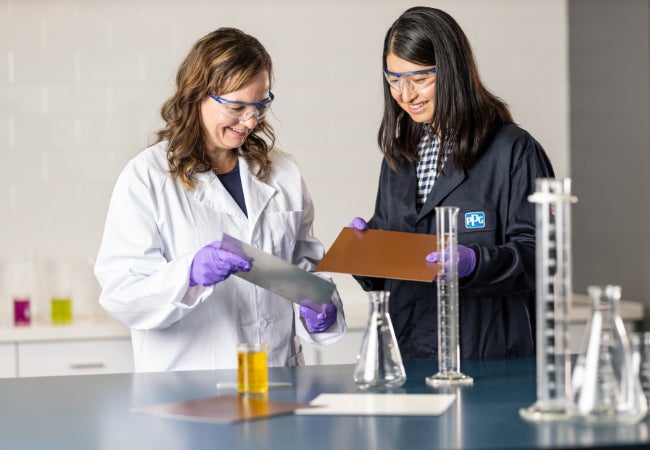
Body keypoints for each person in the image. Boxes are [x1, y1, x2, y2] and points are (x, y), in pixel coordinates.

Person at [94, 27, 346, 372]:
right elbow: (122, 295)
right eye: (238, 106)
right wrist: (189, 274)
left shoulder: (283, 171)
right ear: (196, 95)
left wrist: (321, 304)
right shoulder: (146, 178)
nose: (251, 120)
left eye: (261, 104)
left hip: (277, 377)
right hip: (188, 389)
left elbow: (304, 265)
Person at [348, 7, 554, 360]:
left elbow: (544, 257)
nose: (405, 93)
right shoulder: (400, 155)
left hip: (489, 360)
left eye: (419, 79)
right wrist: (366, 254)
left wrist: (475, 262)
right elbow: (392, 278)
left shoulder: (513, 151)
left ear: (452, 70)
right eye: (394, 79)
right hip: (408, 358)